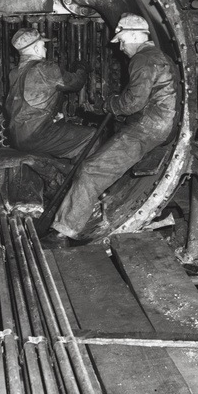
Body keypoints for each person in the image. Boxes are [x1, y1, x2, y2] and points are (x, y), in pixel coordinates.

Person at [47, 13, 177, 244]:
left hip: (148, 127)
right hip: (160, 123)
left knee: (90, 170)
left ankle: (63, 232)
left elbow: (133, 103)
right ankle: (94, 213)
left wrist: (109, 104)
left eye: (123, 41)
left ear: (136, 36)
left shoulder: (143, 59)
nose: (121, 47)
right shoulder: (159, 56)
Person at [4, 27, 97, 161]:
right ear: (36, 49)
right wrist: (81, 68)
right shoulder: (45, 68)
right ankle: (82, 180)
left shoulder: (14, 73)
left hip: (17, 136)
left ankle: (56, 174)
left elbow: (16, 106)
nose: (46, 49)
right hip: (37, 135)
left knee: (63, 127)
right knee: (92, 136)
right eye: (43, 45)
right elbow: (76, 83)